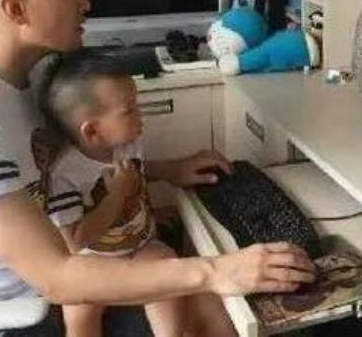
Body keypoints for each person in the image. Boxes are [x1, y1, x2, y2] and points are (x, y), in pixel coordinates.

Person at [0, 0, 314, 334]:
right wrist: (216, 271)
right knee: (220, 302)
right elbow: (57, 276)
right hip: (20, 315)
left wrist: (166, 170)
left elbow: (76, 168)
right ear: (15, 7)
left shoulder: (28, 74)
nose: (86, 2)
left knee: (214, 283)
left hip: (59, 275)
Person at [39, 48, 235, 337]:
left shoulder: (127, 142)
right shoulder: (65, 174)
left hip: (141, 247)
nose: (139, 114)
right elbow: (74, 241)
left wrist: (172, 171)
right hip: (92, 262)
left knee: (165, 268)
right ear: (91, 132)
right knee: (78, 313)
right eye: (129, 110)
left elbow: (139, 172)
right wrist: (117, 196)